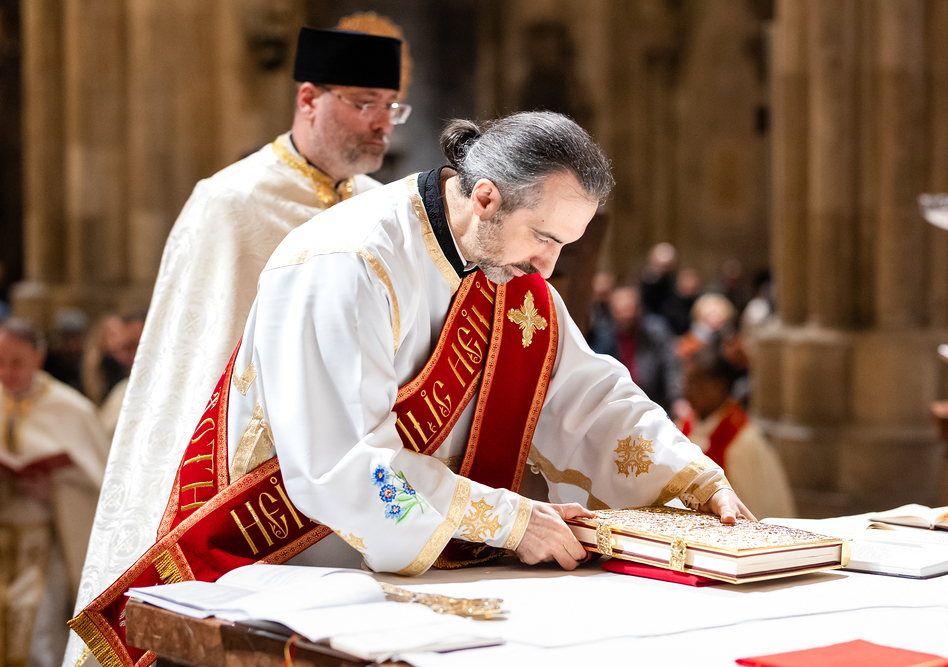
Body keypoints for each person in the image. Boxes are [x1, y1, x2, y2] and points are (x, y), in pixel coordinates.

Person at [71, 112, 756, 666]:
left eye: (563, 247)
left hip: (409, 580)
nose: (549, 267)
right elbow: (345, 468)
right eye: (545, 237)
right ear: (485, 196)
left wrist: (692, 476)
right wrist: (510, 521)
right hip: (282, 564)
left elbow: (588, 396)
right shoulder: (346, 261)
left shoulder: (506, 271)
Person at [68, 20, 412, 667]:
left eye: (391, 108)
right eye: (364, 103)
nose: (381, 125)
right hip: (246, 485)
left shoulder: (381, 208)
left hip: (350, 483)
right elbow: (191, 366)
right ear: (308, 99)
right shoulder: (230, 204)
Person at [0, 318, 110, 667]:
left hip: (46, 543)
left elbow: (102, 490)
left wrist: (57, 492)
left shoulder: (71, 409)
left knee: (39, 635)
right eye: (0, 362)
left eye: (17, 362)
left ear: (38, 358)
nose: (7, 373)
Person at [679, 338, 795, 520]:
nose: (687, 390)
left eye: (695, 381)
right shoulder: (684, 428)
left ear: (718, 385)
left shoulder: (745, 442)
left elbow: (761, 508)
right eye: (686, 380)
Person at [589, 285, 681, 410]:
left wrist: (676, 399)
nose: (627, 314)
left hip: (652, 400)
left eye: (630, 308)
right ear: (612, 310)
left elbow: (670, 366)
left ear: (638, 308)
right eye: (622, 309)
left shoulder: (655, 331)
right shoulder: (603, 334)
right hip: (617, 402)